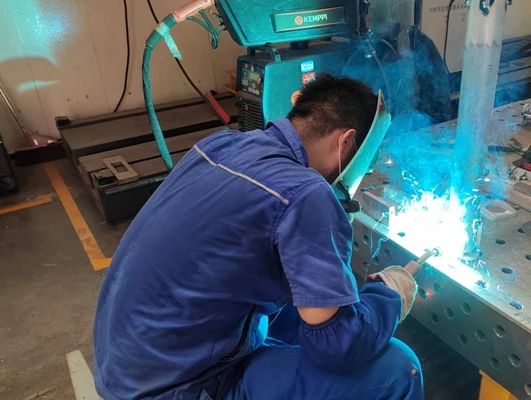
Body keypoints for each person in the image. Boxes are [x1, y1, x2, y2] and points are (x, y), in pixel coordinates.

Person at [93, 74, 422, 400]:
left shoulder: (220, 144)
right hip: (177, 387)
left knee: (295, 312)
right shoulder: (305, 192)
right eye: (365, 163)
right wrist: (389, 295)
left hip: (126, 365)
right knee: (397, 368)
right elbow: (338, 346)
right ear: (346, 142)